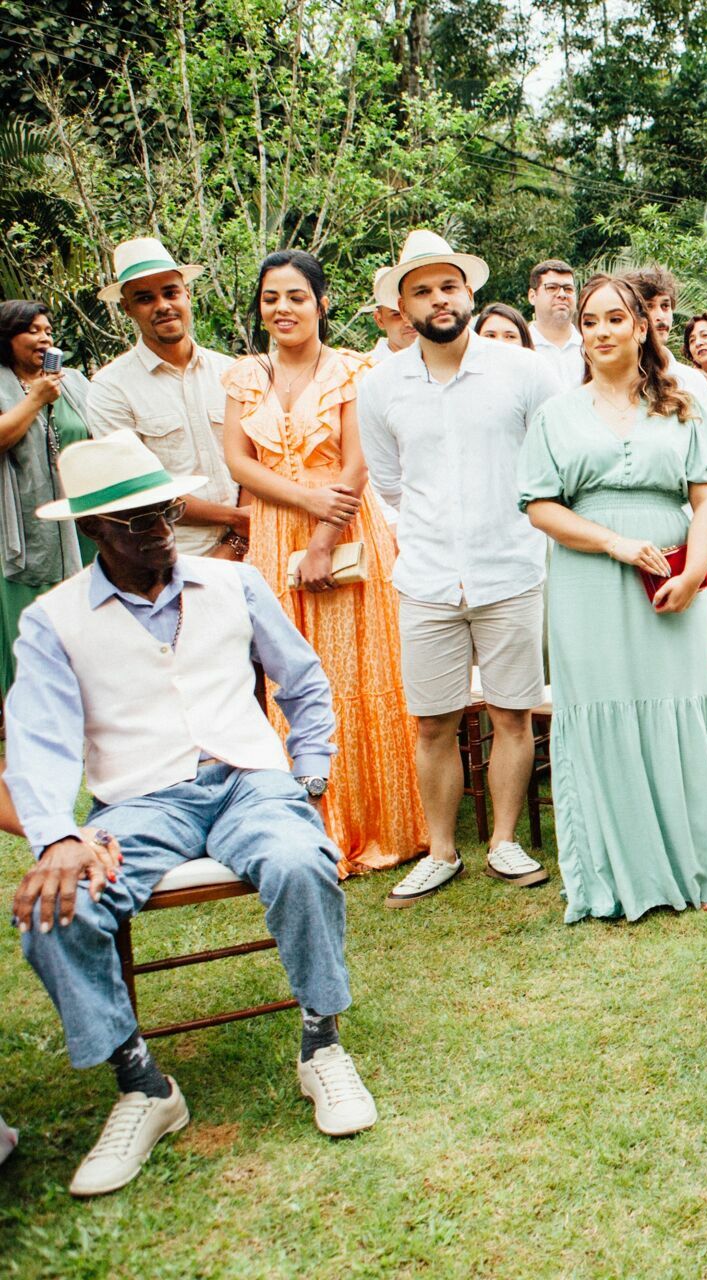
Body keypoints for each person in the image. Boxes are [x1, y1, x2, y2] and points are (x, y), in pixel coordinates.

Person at [7, 431, 377, 1198]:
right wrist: (57, 837)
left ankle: (322, 1044)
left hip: (248, 778)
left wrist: (308, 775)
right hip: (138, 803)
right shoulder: (52, 620)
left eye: (166, 512)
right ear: (91, 531)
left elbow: (303, 683)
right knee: (56, 909)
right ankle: (143, 1085)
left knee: (300, 858)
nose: (160, 533)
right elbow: (38, 743)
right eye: (138, 523)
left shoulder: (233, 584)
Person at [358, 230, 563, 906]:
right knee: (433, 721)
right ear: (402, 304)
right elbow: (388, 482)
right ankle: (441, 851)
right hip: (426, 578)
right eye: (422, 289)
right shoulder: (381, 386)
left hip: (510, 568)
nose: (438, 298)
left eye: (448, 285)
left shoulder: (523, 372)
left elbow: (549, 464)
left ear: (468, 292)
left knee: (512, 714)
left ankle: (504, 842)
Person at [518, 274, 707, 921]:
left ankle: (690, 867)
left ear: (642, 327)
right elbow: (541, 507)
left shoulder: (684, 406)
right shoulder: (556, 414)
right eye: (590, 321)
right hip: (589, 586)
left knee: (674, 705)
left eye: (615, 318)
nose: (602, 331)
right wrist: (612, 542)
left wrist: (694, 573)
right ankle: (611, 872)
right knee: (603, 708)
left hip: (671, 583)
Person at [221, 249, 426, 875]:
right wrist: (301, 500)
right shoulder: (242, 377)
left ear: (322, 303)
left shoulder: (355, 370)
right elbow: (238, 462)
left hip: (345, 530)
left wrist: (318, 538)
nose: (282, 309)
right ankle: (305, 828)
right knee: (288, 680)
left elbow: (357, 464)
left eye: (296, 297)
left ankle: (376, 822)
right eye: (271, 299)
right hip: (272, 528)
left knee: (356, 676)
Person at [86, 239, 247, 560]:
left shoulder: (231, 372)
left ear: (188, 295)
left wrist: (237, 541)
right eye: (145, 298)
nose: (162, 306)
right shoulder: (110, 388)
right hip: (174, 556)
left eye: (170, 292)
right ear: (127, 308)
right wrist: (235, 520)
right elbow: (136, 489)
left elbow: (258, 457)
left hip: (252, 546)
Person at [0, 301, 94, 698]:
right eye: (32, 330)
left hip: (84, 524)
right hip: (21, 527)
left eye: (48, 331)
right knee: (29, 623)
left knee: (85, 620)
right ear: (7, 339)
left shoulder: (73, 382)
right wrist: (35, 398)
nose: (45, 338)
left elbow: (97, 436)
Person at [624, 264, 707, 418]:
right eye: (649, 306)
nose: (661, 316)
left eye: (665, 306)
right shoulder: (616, 380)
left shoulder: (692, 381)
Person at [526, 259, 583, 382]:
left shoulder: (589, 347)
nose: (562, 294)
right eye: (552, 287)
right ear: (532, 296)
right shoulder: (521, 346)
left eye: (568, 289)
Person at [359, 267, 418, 364]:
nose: (409, 321)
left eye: (414, 311)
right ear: (379, 320)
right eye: (397, 314)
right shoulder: (365, 369)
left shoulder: (446, 360)